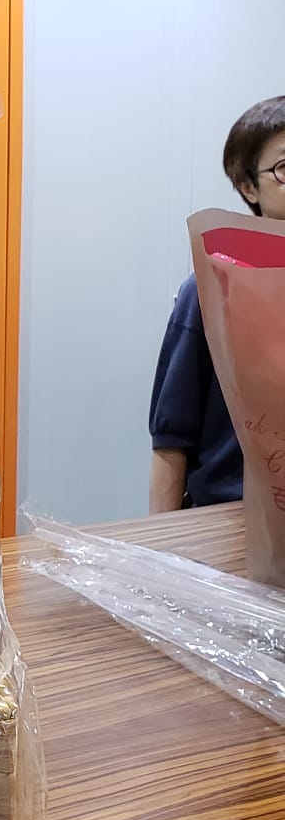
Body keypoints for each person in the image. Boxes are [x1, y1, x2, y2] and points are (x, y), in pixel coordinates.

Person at [149, 96, 285, 511]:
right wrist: (163, 542)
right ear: (248, 187)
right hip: (228, 520)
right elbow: (171, 440)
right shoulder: (211, 289)